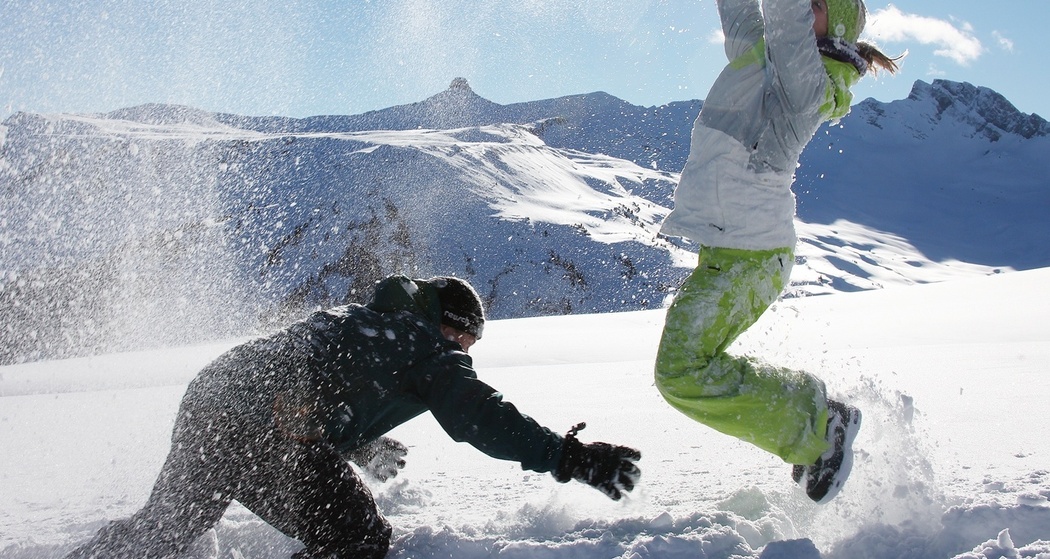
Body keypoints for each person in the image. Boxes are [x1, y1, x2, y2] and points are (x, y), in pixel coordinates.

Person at [67, 275, 641, 559]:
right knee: (358, 539)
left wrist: (358, 445)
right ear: (446, 323)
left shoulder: (368, 322)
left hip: (215, 400)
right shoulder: (422, 345)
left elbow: (322, 386)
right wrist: (567, 456)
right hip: (262, 423)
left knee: (167, 528)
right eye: (464, 337)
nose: (464, 350)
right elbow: (476, 417)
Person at [655, 0, 900, 504]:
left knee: (680, 372)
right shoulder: (761, 56)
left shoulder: (805, 84)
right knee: (684, 369)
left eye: (817, 5)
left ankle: (815, 424)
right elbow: (742, 10)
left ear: (838, 26)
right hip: (734, 249)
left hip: (751, 255)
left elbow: (786, 18)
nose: (802, 6)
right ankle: (808, 428)